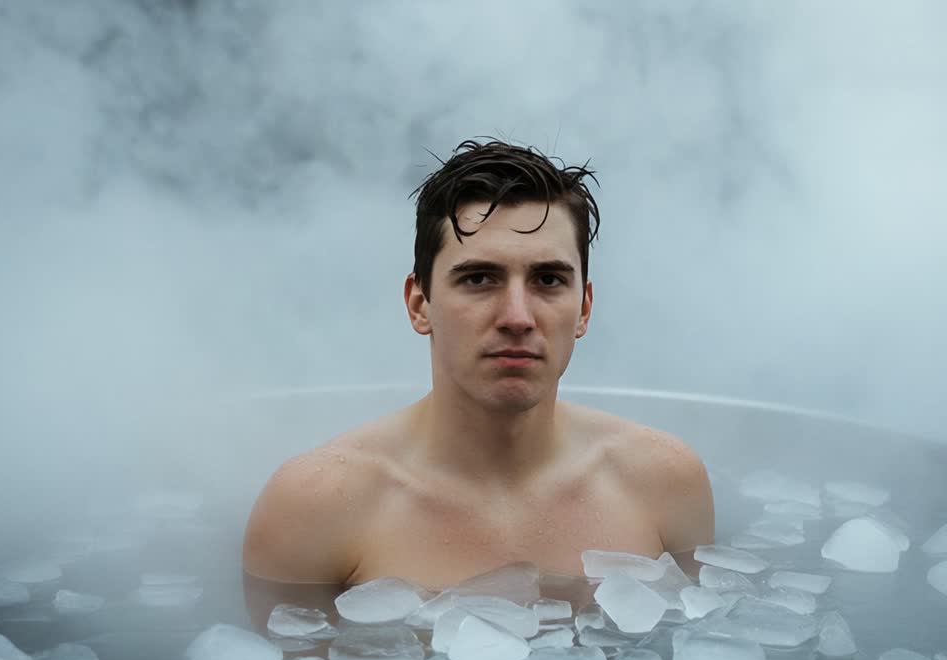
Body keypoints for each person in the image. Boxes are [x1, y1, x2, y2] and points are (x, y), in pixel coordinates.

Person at [243, 139, 714, 593]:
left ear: (584, 308)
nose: (517, 317)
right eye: (479, 278)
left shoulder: (664, 484)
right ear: (419, 304)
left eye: (548, 279)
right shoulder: (315, 508)